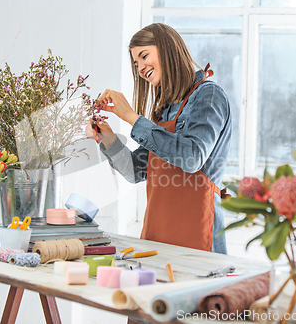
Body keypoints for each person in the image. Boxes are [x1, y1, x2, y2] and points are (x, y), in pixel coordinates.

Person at [86, 23, 232, 254]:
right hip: (159, 233)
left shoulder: (208, 95)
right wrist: (108, 138)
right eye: (136, 64)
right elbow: (136, 171)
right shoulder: (164, 110)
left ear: (167, 49)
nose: (141, 68)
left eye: (144, 56)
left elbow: (192, 157)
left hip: (198, 232)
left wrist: (133, 118)